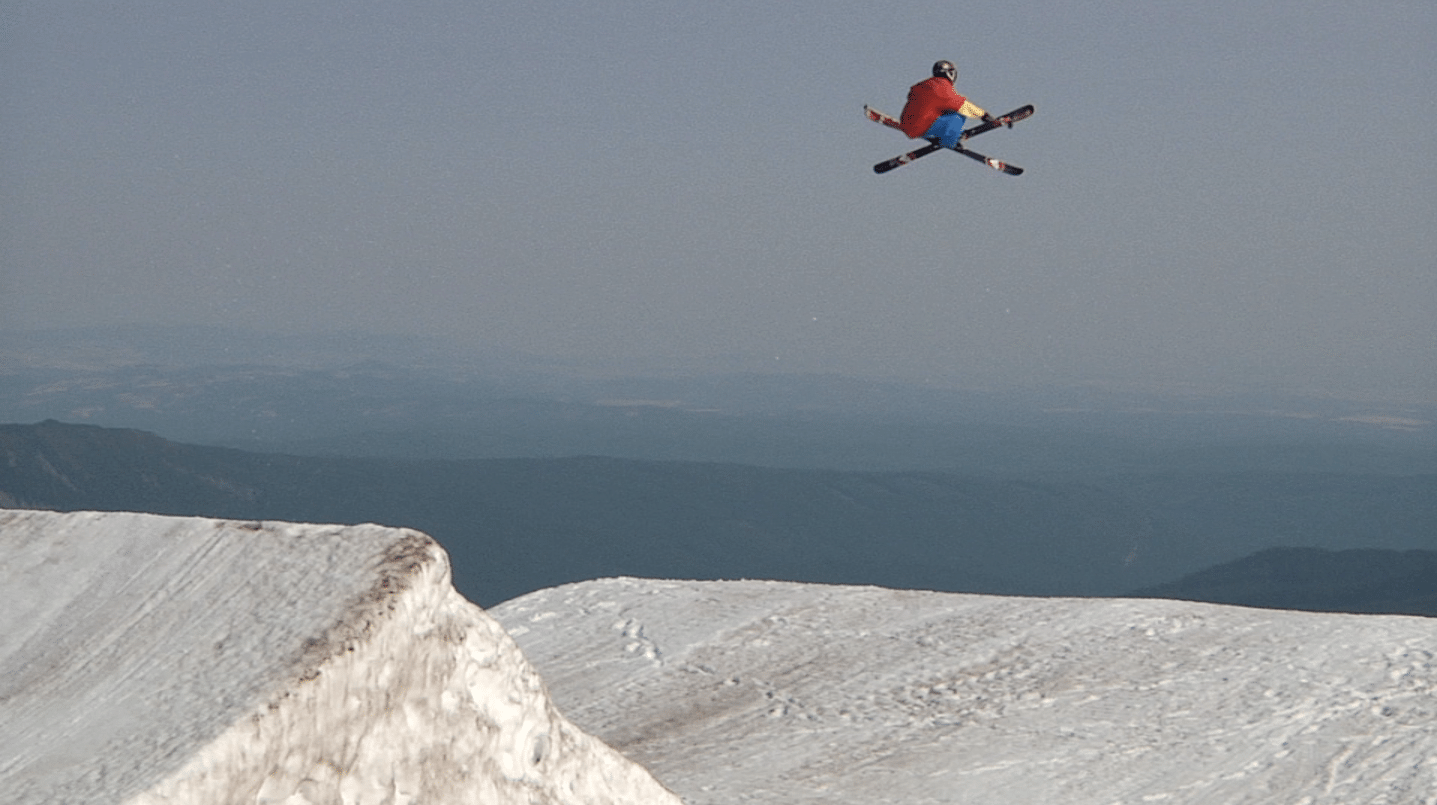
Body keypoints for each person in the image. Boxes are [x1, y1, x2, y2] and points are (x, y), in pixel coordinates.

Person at [899, 60, 998, 149]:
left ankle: (937, 135)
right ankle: (949, 140)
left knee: (942, 111)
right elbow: (963, 106)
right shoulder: (942, 88)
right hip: (923, 126)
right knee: (958, 115)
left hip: (907, 126)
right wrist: (985, 116)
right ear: (950, 73)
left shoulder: (924, 85)